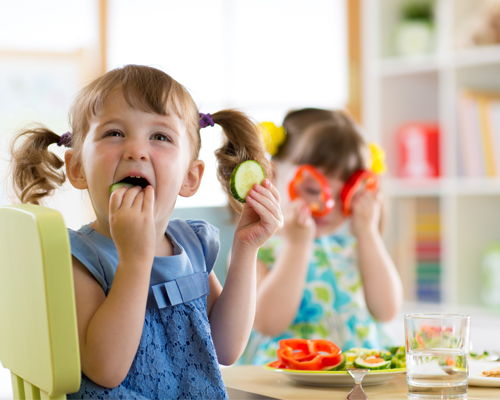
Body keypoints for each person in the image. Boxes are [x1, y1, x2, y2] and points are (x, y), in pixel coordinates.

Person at [9, 64, 283, 399]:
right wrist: (135, 259)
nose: (136, 150)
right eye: (114, 133)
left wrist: (245, 250)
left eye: (160, 137)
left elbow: (225, 348)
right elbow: (106, 369)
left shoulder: (192, 245)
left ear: (190, 178)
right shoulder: (77, 256)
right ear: (77, 168)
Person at [244, 109, 403, 365]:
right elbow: (267, 323)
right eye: (311, 189)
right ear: (272, 174)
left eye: (344, 196)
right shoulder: (256, 246)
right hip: (292, 372)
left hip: (358, 370)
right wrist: (297, 245)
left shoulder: (354, 245)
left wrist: (369, 234)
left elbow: (387, 310)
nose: (327, 206)